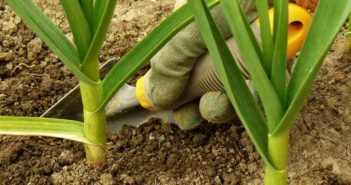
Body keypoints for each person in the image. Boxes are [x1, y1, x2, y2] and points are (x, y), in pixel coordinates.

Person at [136, 0, 319, 130]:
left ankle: (181, 99)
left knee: (215, 105)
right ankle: (162, 96)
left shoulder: (291, 14)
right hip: (166, 86)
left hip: (287, 16)